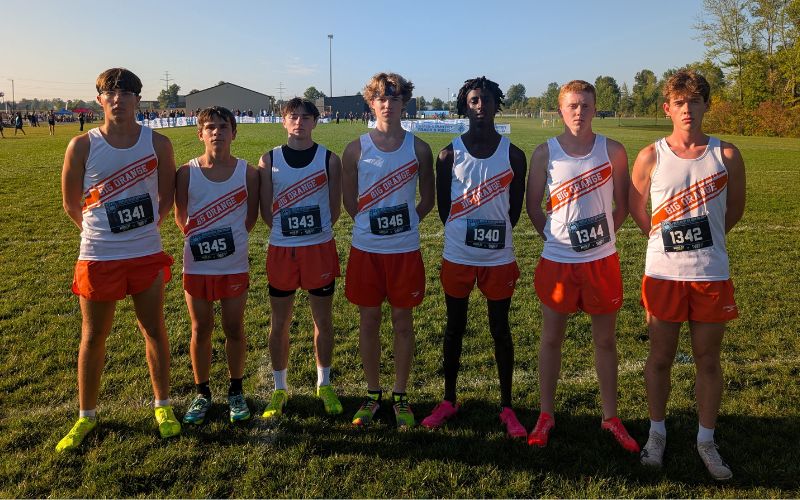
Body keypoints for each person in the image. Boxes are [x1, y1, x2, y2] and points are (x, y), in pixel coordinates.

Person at [629, 70, 745, 481]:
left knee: (708, 360)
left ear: (705, 105)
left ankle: (706, 440)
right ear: (667, 108)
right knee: (659, 358)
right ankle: (656, 434)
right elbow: (637, 209)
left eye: (694, 101)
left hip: (710, 273)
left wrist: (704, 242)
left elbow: (734, 210)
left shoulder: (726, 154)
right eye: (679, 103)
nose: (687, 110)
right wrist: (666, 243)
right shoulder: (651, 155)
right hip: (663, 274)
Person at [57, 67, 179, 452]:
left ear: (137, 100)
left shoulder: (158, 144)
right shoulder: (81, 146)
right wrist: (99, 234)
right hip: (98, 255)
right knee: (93, 336)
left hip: (145, 253)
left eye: (126, 93)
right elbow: (70, 204)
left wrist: (143, 231)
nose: (118, 99)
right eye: (110, 93)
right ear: (99, 100)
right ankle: (86, 415)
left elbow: (166, 198)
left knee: (154, 329)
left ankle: (162, 406)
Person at [526, 80, 638, 452]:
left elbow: (622, 206)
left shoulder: (614, 150)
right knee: (551, 339)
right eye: (572, 106)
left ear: (594, 108)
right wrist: (555, 239)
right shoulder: (545, 153)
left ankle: (610, 417)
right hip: (558, 262)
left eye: (585, 105)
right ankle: (546, 414)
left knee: (605, 340)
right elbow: (532, 207)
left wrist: (600, 240)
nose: (579, 112)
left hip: (601, 262)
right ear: (560, 110)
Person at [420, 77, 528, 438]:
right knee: (454, 327)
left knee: (501, 329)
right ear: (464, 107)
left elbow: (514, 211)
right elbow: (444, 209)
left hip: (498, 258)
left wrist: (493, 235)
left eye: (486, 100)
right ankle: (448, 400)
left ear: (497, 105)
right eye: (473, 100)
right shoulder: (448, 155)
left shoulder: (514, 155)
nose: (480, 106)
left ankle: (507, 407)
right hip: (458, 255)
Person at [341, 72, 434, 428]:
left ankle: (400, 395)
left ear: (403, 103)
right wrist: (371, 226)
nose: (387, 104)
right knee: (369, 322)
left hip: (404, 251)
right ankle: (372, 394)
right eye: (381, 98)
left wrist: (405, 223)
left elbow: (427, 199)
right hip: (366, 250)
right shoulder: (355, 149)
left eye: (394, 98)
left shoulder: (419, 148)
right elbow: (350, 201)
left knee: (402, 323)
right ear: (371, 103)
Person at [258, 98, 344, 419]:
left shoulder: (329, 160)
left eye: (306, 117)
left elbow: (334, 209)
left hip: (318, 249)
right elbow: (266, 210)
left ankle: (324, 383)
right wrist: (288, 232)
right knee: (279, 322)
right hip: (282, 250)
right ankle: (280, 388)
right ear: (283, 121)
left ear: (315, 123)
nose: (299, 122)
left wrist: (312, 231)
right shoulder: (268, 160)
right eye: (293, 117)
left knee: (323, 321)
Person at [174, 106, 259, 425]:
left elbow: (250, 218)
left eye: (223, 127)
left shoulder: (248, 173)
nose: (217, 132)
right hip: (197, 266)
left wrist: (229, 240)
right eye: (210, 127)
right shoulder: (186, 172)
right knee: (200, 329)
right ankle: (202, 392)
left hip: (233, 265)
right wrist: (203, 242)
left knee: (234, 327)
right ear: (200, 133)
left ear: (234, 133)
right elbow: (180, 217)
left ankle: (236, 390)